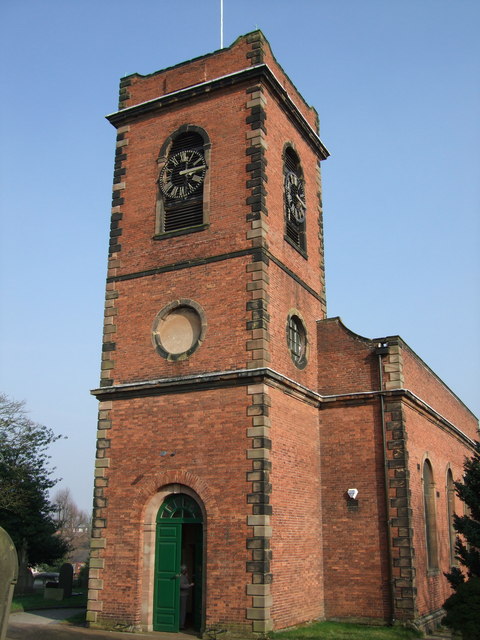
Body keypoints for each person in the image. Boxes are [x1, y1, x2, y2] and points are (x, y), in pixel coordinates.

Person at [179, 564, 194, 629]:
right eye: (185, 570)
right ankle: (181, 625)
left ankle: (182, 623)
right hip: (182, 595)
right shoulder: (181, 577)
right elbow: (182, 586)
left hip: (184, 595)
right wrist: (190, 585)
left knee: (183, 610)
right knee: (182, 610)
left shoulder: (184, 576)